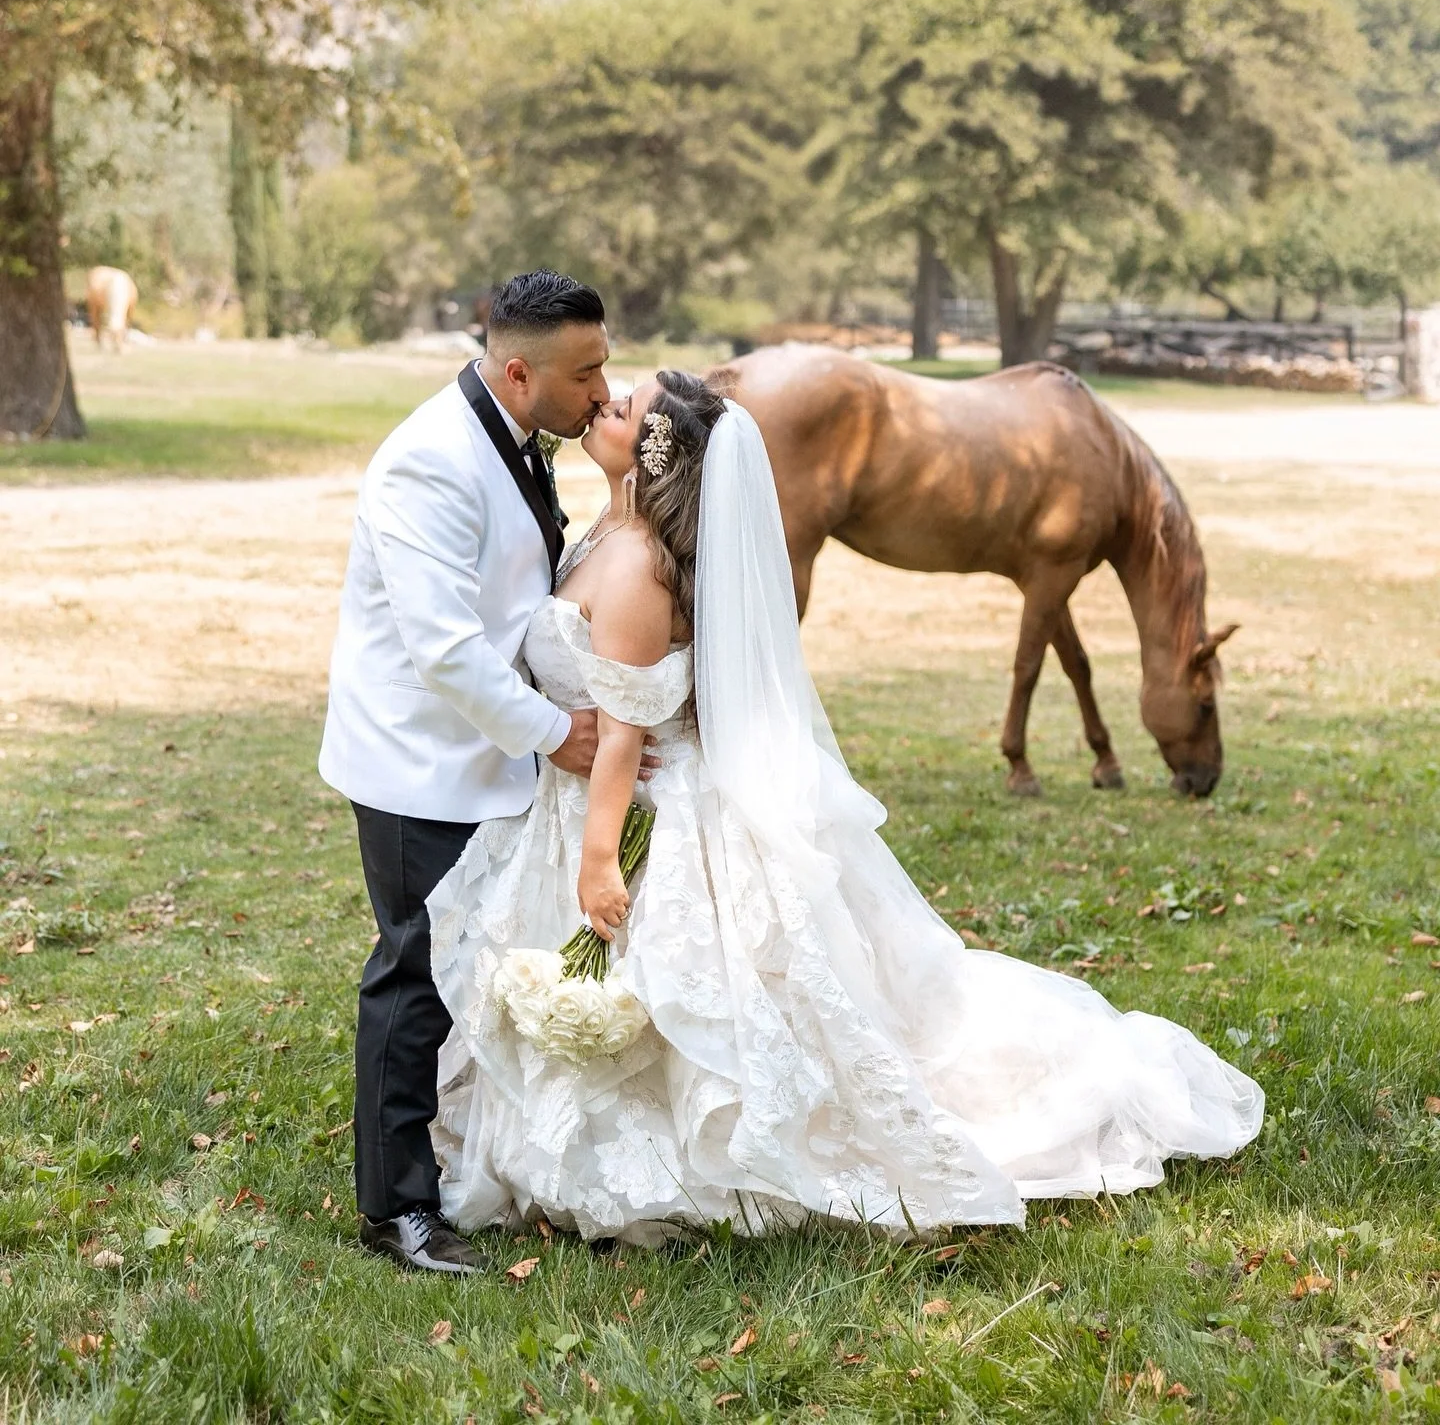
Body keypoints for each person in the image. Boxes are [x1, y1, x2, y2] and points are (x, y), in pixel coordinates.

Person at [426, 373, 1264, 1243]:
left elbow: (628, 734)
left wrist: (600, 857)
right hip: (577, 799)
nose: (604, 403)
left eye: (624, 407)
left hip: (618, 811)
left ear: (658, 452)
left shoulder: (636, 566)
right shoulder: (606, 530)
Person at [319, 269, 639, 1273]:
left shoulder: (518, 438)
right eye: (585, 371)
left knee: (466, 969)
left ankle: (465, 1155)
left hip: (482, 753)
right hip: (421, 762)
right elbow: (446, 653)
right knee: (414, 973)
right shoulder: (428, 462)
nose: (601, 389)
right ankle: (395, 1210)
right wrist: (557, 732)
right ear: (515, 371)